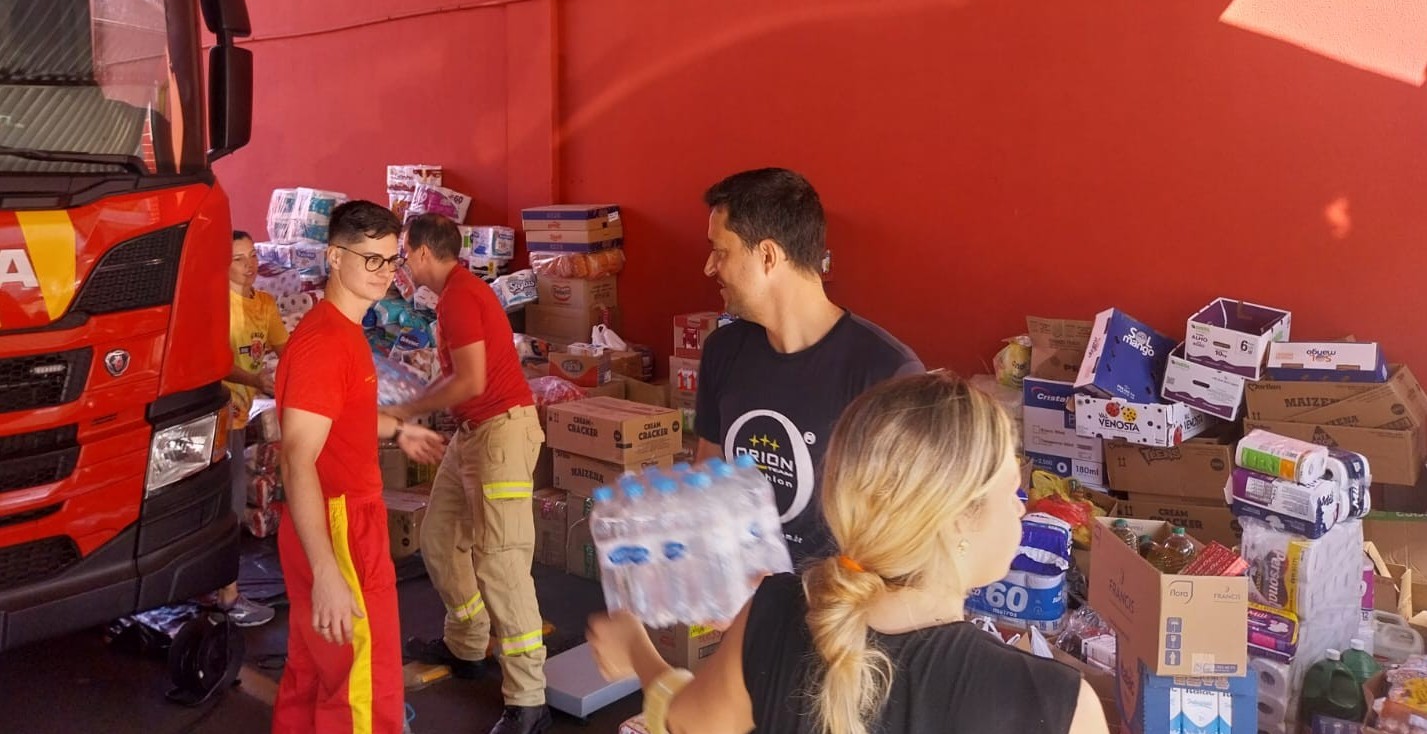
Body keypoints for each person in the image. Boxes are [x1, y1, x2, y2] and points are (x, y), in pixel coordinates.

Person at [589, 371, 1110, 734]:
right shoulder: (1054, 704)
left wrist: (636, 649)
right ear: (953, 520)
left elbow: (686, 721)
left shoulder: (773, 613)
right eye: (1009, 490)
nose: (1021, 510)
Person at [272, 200, 446, 734]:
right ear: (333, 257)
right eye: (368, 259)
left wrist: (397, 428)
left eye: (390, 260)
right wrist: (327, 570)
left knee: (315, 669)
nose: (383, 273)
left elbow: (339, 416)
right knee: (363, 686)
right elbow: (296, 458)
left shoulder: (344, 332)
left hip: (334, 522)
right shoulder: (325, 344)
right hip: (339, 526)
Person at [694, 167, 922, 566]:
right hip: (748, 608)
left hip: (840, 615)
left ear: (767, 255)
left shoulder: (886, 373)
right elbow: (709, 475)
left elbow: (909, 535)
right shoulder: (722, 351)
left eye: (721, 251)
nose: (710, 267)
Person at [383, 213, 550, 734]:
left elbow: (472, 380)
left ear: (424, 253)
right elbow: (463, 379)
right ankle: (468, 641)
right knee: (438, 537)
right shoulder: (455, 297)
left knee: (500, 564)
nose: (401, 264)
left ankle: (529, 701)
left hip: (498, 433)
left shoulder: (459, 297)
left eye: (404, 253)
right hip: (473, 433)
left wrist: (406, 411)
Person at [215, 229, 288, 626]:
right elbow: (215, 361)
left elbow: (285, 350)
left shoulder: (265, 304)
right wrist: (256, 381)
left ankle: (218, 586)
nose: (249, 265)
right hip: (216, 415)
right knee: (229, 505)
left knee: (231, 503)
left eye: (253, 255)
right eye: (239, 258)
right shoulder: (215, 304)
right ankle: (227, 595)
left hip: (241, 414)